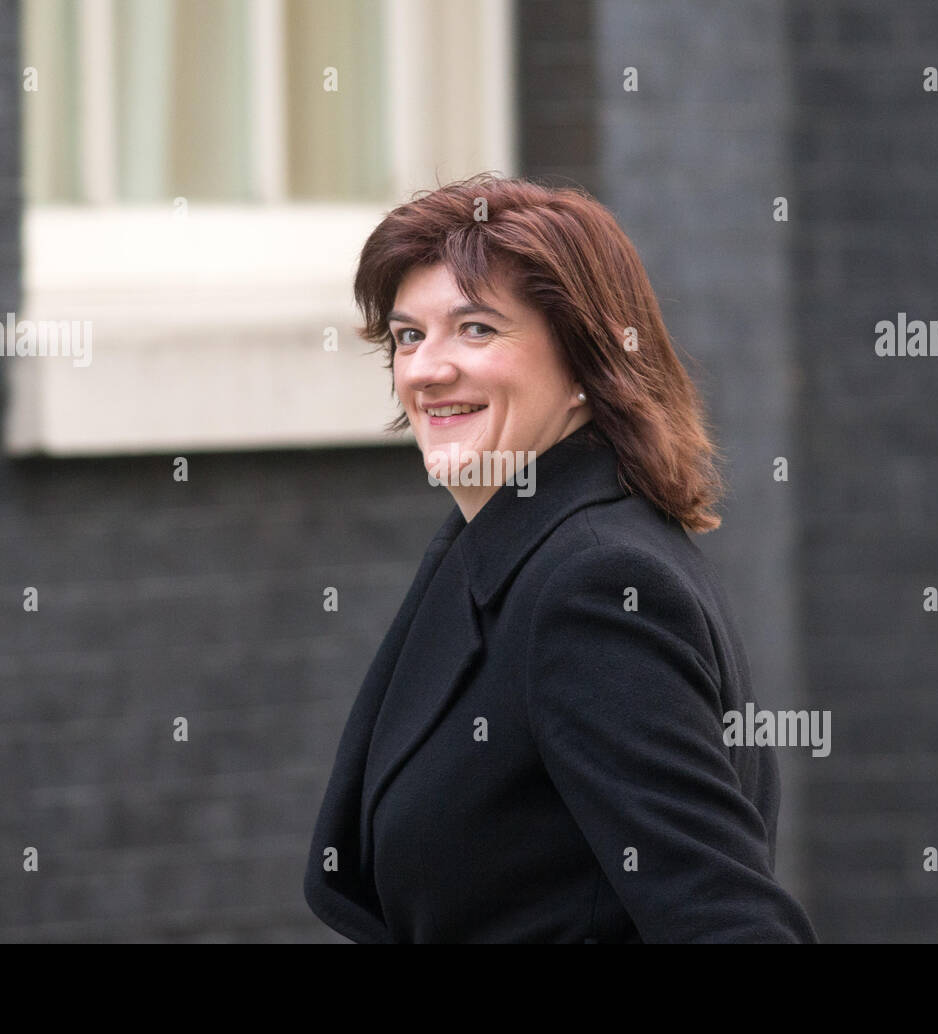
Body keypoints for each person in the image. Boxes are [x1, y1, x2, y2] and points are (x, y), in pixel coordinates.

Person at [303, 173, 817, 943]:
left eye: (476, 329)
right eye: (410, 335)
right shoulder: (495, 550)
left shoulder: (595, 587)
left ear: (583, 363)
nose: (426, 370)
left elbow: (726, 920)